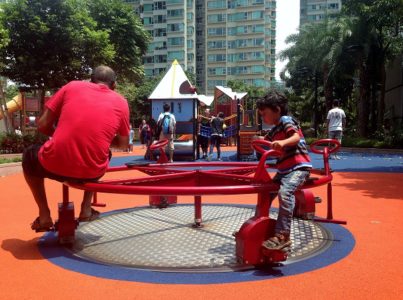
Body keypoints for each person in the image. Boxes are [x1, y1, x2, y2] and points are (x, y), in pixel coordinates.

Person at [22, 66, 130, 232]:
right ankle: (86, 208)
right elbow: (123, 144)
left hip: (53, 164)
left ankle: (44, 215)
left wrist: (60, 134)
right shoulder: (121, 102)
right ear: (114, 85)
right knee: (104, 154)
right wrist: (100, 139)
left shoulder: (72, 86)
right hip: (91, 171)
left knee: (29, 156)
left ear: (90, 79)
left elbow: (43, 125)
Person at [256, 91, 312, 251]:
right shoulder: (274, 130)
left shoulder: (286, 121)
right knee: (265, 193)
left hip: (298, 167)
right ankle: (257, 223)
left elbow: (295, 138)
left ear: (277, 109)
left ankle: (283, 235)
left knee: (285, 193)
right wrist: (258, 141)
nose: (263, 118)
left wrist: (282, 142)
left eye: (264, 114)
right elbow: (266, 142)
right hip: (284, 171)